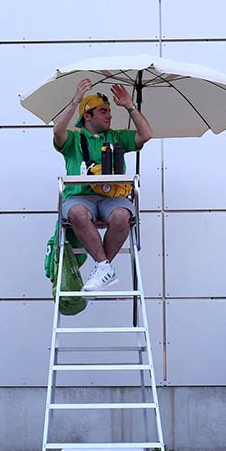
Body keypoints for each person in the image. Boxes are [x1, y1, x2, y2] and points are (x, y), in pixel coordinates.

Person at [52, 77, 154, 291]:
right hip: (79, 197)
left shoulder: (116, 137)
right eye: (103, 111)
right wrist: (74, 102)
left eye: (109, 111)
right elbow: (57, 131)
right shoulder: (73, 139)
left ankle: (102, 269)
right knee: (78, 213)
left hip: (112, 198)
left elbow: (146, 135)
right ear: (87, 116)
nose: (109, 115)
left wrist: (129, 106)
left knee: (122, 216)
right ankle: (104, 267)